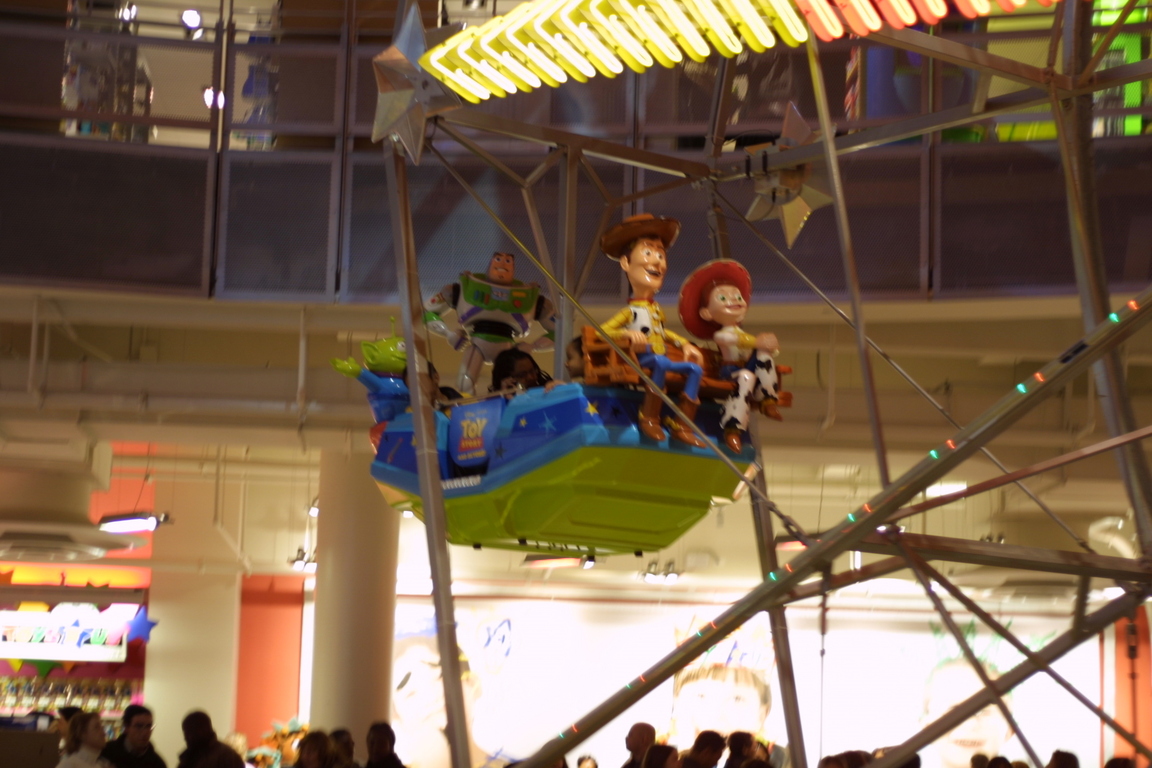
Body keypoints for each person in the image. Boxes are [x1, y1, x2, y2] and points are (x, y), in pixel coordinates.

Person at [600, 213, 706, 448]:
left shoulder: (656, 310)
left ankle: (682, 424)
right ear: (626, 263)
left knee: (694, 369)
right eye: (648, 252)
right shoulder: (630, 312)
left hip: (661, 359)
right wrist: (626, 334)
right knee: (659, 363)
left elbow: (663, 333)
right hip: (644, 359)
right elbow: (602, 332)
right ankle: (649, 416)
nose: (657, 262)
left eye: (661, 255)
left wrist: (684, 344)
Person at [677, 259, 784, 453]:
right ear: (707, 313)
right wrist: (758, 342)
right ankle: (732, 427)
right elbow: (735, 340)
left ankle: (767, 399)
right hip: (731, 371)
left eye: (737, 296)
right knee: (747, 376)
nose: (734, 300)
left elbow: (756, 346)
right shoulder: (721, 335)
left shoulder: (745, 335)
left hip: (747, 366)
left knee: (764, 357)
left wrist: (769, 346)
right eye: (723, 298)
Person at [424, 251, 557, 394]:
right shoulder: (458, 290)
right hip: (478, 344)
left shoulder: (533, 299)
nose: (502, 264)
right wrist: (447, 333)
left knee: (516, 385)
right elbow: (426, 314)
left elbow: (560, 332)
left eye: (508, 261)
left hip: (508, 350)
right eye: (498, 259)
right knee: (465, 383)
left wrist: (534, 346)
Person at [100, 704, 167, 768]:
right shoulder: (107, 753)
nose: (145, 732)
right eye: (139, 726)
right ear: (126, 727)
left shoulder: (157, 764)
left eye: (148, 726)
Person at [176, 711, 244, 768]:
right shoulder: (189, 757)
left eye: (190, 732)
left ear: (203, 730)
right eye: (185, 733)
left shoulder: (227, 757)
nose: (186, 737)